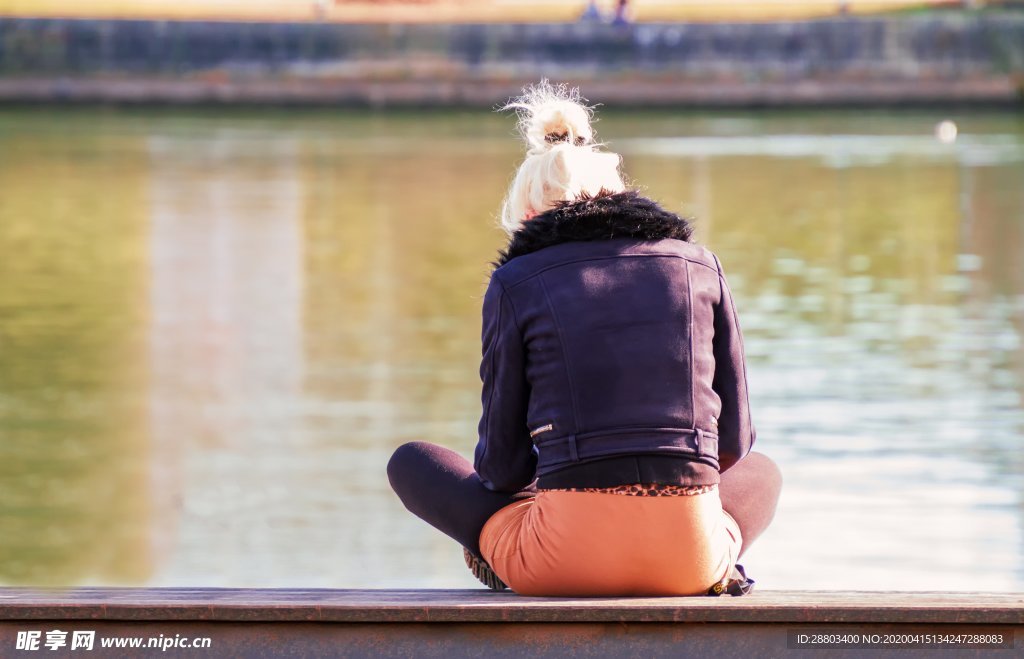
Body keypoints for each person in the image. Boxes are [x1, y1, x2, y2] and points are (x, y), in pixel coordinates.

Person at [387, 81, 781, 597]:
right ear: (619, 195)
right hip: (690, 560)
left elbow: (502, 469)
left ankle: (501, 551)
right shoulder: (699, 267)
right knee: (764, 472)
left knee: (412, 462)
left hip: (559, 563)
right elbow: (733, 444)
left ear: (528, 217)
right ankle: (713, 560)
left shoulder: (517, 281)